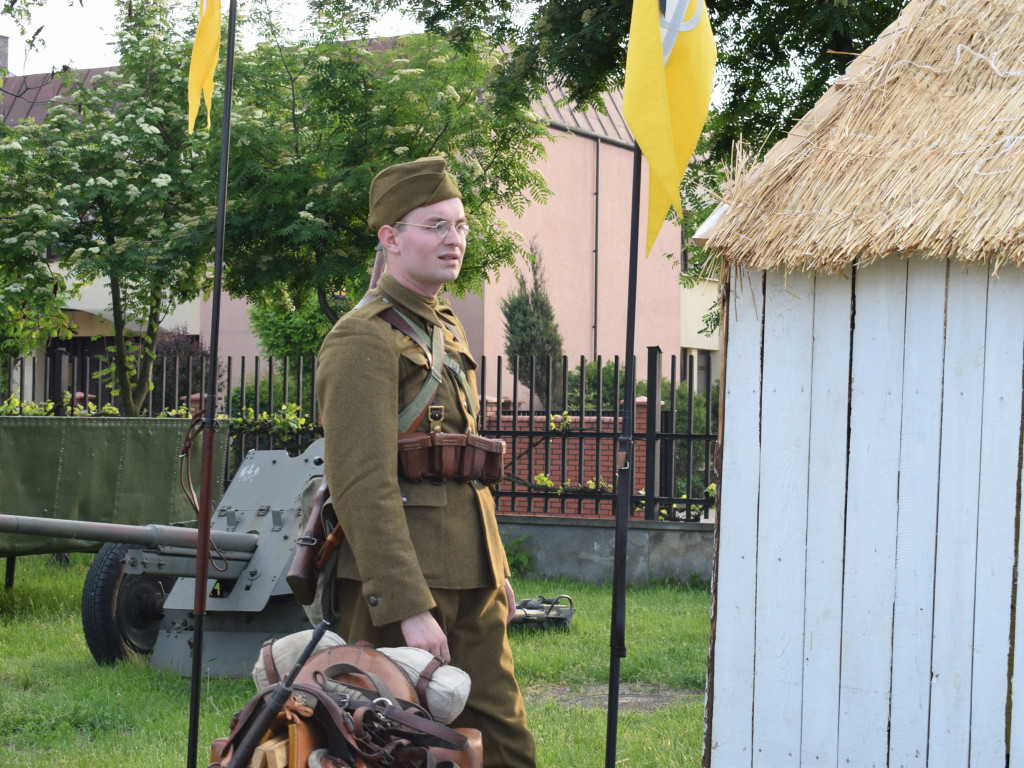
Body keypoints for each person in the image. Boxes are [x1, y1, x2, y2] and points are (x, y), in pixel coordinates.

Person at [315, 156, 537, 768]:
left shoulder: (443, 326)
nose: (454, 238)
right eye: (435, 225)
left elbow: (465, 465)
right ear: (390, 238)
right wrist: (408, 605)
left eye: (460, 225)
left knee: (504, 744)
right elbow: (360, 483)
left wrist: (495, 567)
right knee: (394, 747)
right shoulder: (362, 337)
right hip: (404, 582)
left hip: (471, 574)